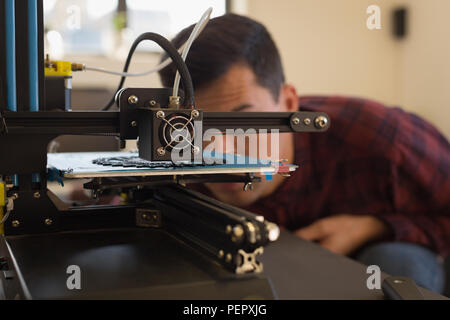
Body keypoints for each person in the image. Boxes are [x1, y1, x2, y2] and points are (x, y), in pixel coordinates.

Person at [159, 13, 449, 293]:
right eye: (196, 126)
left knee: (397, 262)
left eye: (242, 122)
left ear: (288, 101)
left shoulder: (380, 138)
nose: (218, 153)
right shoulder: (172, 159)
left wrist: (376, 227)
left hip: (378, 261)